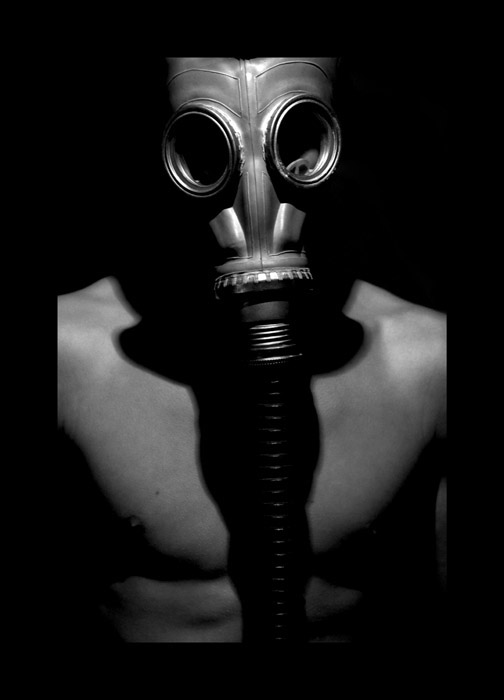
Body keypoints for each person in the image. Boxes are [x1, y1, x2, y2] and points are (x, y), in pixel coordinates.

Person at [56, 57, 446, 644]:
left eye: (293, 138)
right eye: (208, 145)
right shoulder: (68, 361)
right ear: (164, 150)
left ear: (332, 143)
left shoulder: (430, 366)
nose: (254, 184)